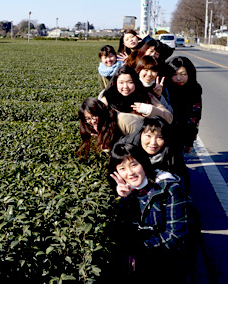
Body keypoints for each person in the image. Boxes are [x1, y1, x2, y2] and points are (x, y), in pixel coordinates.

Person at [108, 142, 191, 283]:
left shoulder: (169, 189)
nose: (130, 173)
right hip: (140, 262)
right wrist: (124, 200)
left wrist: (137, 252)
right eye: (122, 168)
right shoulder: (124, 192)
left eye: (134, 164)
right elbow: (121, 233)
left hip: (167, 264)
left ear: (143, 162)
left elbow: (175, 237)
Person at [121, 116, 190, 191]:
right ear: (140, 134)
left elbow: (183, 180)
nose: (153, 143)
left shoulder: (172, 157)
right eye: (148, 136)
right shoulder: (127, 151)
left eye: (159, 137)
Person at [100, 66, 173, 124]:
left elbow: (169, 118)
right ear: (115, 83)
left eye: (130, 82)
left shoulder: (145, 95)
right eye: (121, 83)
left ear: (135, 82)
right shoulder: (107, 99)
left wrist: (149, 109)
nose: (125, 87)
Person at [77, 97, 142, 157]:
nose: (93, 121)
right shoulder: (97, 127)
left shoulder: (123, 120)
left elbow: (140, 143)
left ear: (101, 111)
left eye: (94, 116)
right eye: (88, 118)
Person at [165, 56, 202, 153]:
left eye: (183, 74)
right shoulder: (164, 88)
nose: (178, 78)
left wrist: (190, 140)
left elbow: (195, 116)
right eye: (174, 74)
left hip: (182, 132)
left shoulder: (195, 89)